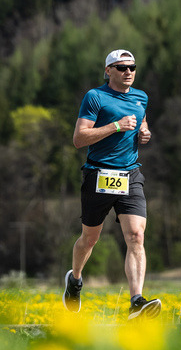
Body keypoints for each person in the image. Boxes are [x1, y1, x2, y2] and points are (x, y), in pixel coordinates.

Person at [63, 49, 161, 320]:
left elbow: (140, 118)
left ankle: (136, 301)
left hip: (131, 176)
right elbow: (79, 138)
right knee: (90, 238)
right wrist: (116, 126)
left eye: (132, 67)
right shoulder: (95, 97)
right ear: (108, 71)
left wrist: (144, 131)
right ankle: (76, 280)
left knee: (136, 236)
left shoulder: (142, 96)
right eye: (120, 68)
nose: (128, 72)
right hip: (99, 175)